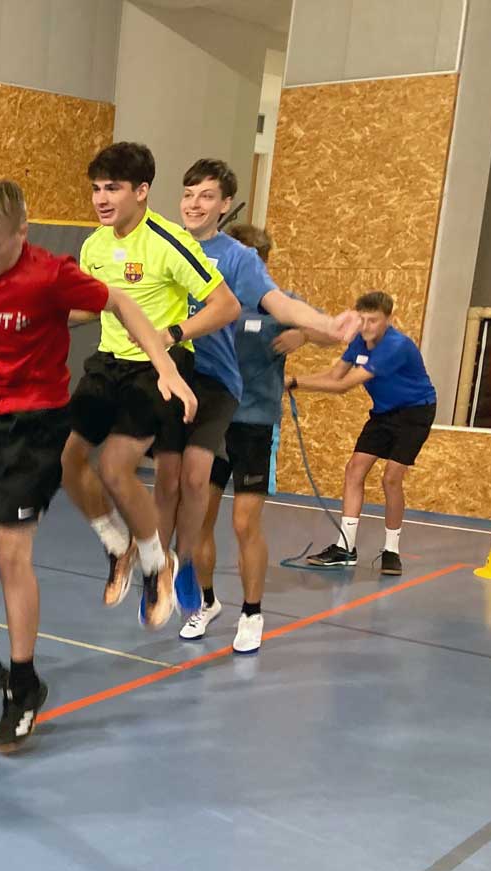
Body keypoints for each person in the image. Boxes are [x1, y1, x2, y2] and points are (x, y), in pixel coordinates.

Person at [0, 179, 197, 751]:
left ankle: (24, 682)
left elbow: (121, 302)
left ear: (22, 234)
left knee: (11, 555)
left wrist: (166, 367)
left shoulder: (51, 275)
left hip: (35, 425)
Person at [168, 165, 359, 650]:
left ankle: (252, 612)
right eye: (189, 195)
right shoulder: (198, 288)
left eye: (206, 196)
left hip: (254, 423)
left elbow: (308, 323)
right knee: (199, 519)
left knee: (244, 522)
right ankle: (207, 601)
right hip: (212, 419)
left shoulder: (271, 301)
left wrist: (311, 332)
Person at [60, 141, 239, 630]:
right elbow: (91, 307)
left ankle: (159, 565)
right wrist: (45, 317)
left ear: (141, 191)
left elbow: (226, 306)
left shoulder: (169, 241)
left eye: (112, 189)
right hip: (108, 363)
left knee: (116, 467)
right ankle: (118, 546)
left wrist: (172, 333)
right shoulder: (94, 246)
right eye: (96, 188)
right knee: (68, 459)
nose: (101, 199)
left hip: (157, 367)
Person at [291, 291, 438, 576]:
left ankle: (391, 551)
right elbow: (334, 375)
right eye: (363, 319)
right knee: (354, 469)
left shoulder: (396, 346)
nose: (367, 326)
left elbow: (342, 386)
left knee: (391, 478)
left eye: (374, 320)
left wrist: (295, 382)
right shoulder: (359, 341)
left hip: (415, 412)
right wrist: (294, 380)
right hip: (383, 412)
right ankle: (345, 548)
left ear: (388, 320)